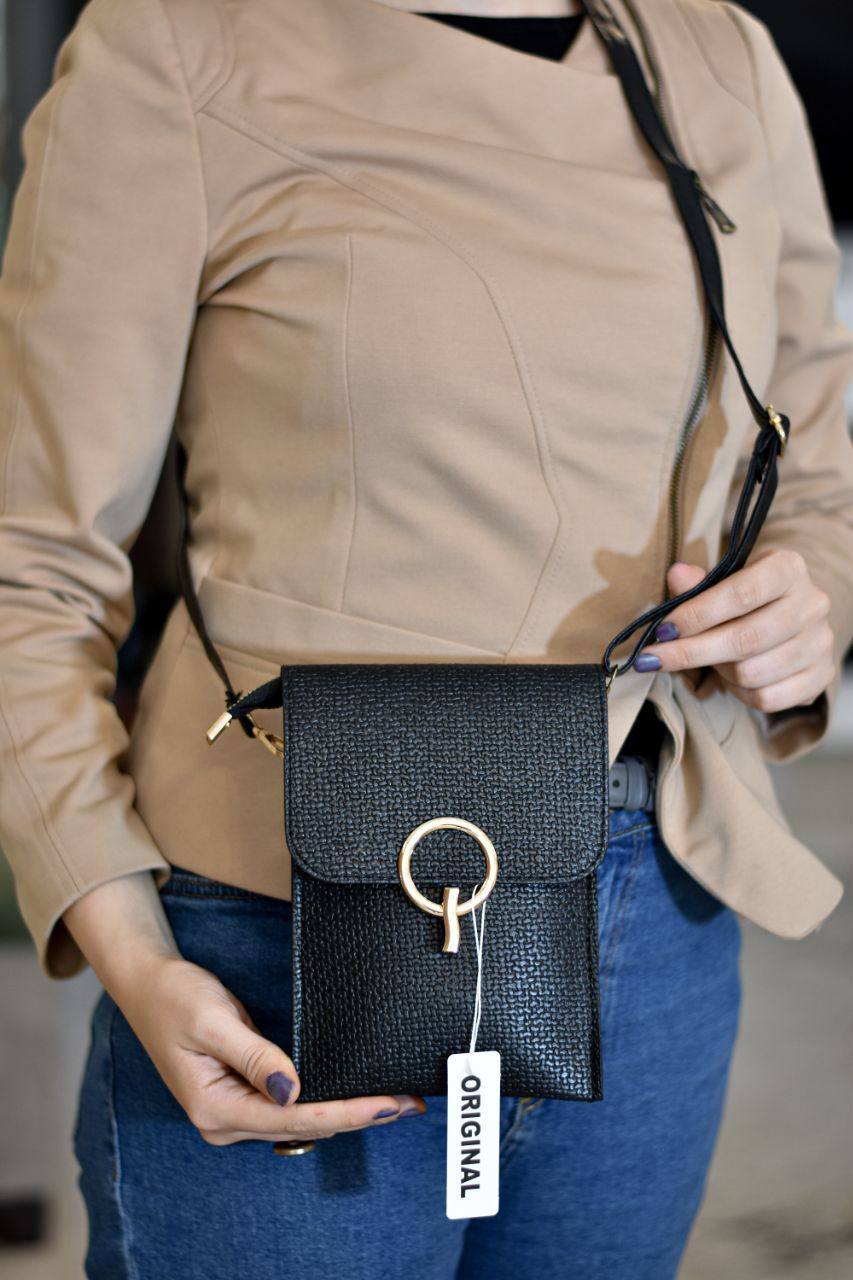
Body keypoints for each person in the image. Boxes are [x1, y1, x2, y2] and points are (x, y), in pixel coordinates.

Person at [0, 0, 851, 1276]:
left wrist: (806, 600)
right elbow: (32, 555)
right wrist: (127, 942)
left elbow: (815, 467)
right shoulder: (181, 46)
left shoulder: (713, 53)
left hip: (653, 895)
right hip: (290, 911)